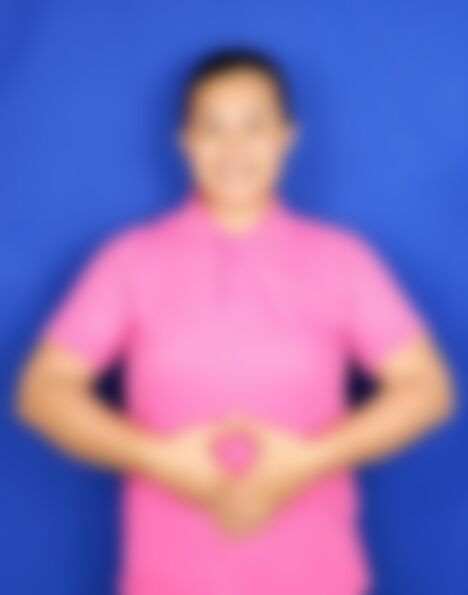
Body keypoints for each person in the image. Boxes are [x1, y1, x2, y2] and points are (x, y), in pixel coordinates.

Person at [17, 49, 453, 595]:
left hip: (317, 577)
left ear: (287, 137)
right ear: (185, 141)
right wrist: (160, 461)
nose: (234, 148)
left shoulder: (343, 260)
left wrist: (306, 462)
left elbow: (427, 388)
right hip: (165, 579)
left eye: (254, 125)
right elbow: (43, 390)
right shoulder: (129, 260)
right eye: (213, 128)